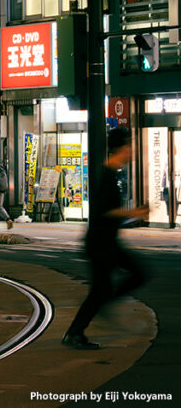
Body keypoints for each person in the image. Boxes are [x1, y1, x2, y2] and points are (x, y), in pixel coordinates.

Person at [63, 128, 148, 350]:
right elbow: (103, 210)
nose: (132, 152)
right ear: (120, 148)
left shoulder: (111, 173)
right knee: (106, 288)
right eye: (129, 147)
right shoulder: (107, 174)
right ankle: (75, 332)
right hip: (101, 245)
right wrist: (134, 212)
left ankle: (79, 329)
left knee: (108, 287)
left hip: (106, 243)